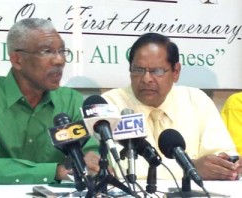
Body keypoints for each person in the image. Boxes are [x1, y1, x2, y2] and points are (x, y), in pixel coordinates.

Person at [0, 18, 100, 185]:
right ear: (17, 60)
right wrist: (56, 171)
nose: (59, 60)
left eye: (62, 51)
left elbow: (89, 149)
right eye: (46, 51)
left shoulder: (71, 99)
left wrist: (93, 159)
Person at [102, 32, 242, 181]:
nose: (146, 79)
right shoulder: (110, 105)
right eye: (138, 70)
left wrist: (224, 166)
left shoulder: (196, 100)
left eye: (157, 71)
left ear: (175, 72)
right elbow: (121, 167)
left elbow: (222, 153)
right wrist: (190, 168)